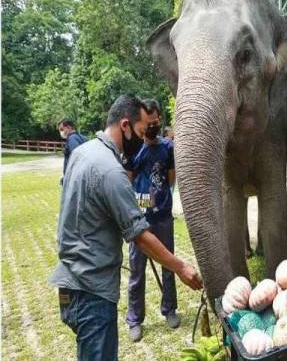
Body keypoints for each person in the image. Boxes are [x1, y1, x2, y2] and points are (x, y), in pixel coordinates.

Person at [50, 95, 202, 361]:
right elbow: (139, 236)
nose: (144, 137)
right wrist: (181, 268)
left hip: (70, 284)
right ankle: (136, 317)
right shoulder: (112, 170)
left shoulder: (82, 153)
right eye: (142, 131)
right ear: (125, 126)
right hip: (92, 292)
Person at [124, 99, 178, 342]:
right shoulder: (133, 150)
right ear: (141, 123)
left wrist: (163, 200)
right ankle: (135, 319)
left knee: (169, 265)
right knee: (137, 271)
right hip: (139, 220)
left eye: (157, 122)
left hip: (163, 217)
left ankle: (170, 309)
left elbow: (171, 177)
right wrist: (141, 206)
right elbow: (128, 181)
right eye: (150, 123)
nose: (154, 126)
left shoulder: (168, 147)